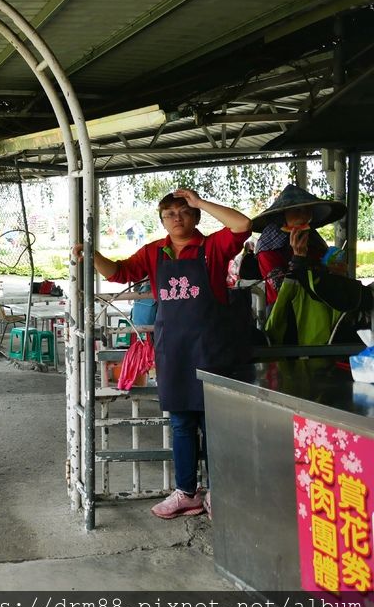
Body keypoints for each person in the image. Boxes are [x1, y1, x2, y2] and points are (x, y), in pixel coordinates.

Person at [73, 188, 252, 519]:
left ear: (196, 216)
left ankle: (218, 493)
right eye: (169, 214)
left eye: (184, 212)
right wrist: (92, 254)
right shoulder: (154, 252)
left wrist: (200, 201)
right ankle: (186, 493)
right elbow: (118, 273)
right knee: (182, 422)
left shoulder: (212, 247)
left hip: (210, 348)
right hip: (173, 350)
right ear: (162, 220)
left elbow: (242, 225)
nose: (177, 218)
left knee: (212, 423)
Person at [252, 184, 346, 308]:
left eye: (307, 210)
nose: (304, 216)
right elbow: (283, 290)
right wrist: (298, 258)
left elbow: (323, 270)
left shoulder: (313, 238)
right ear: (282, 215)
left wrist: (336, 270)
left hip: (320, 306)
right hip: (285, 311)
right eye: (297, 210)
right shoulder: (268, 248)